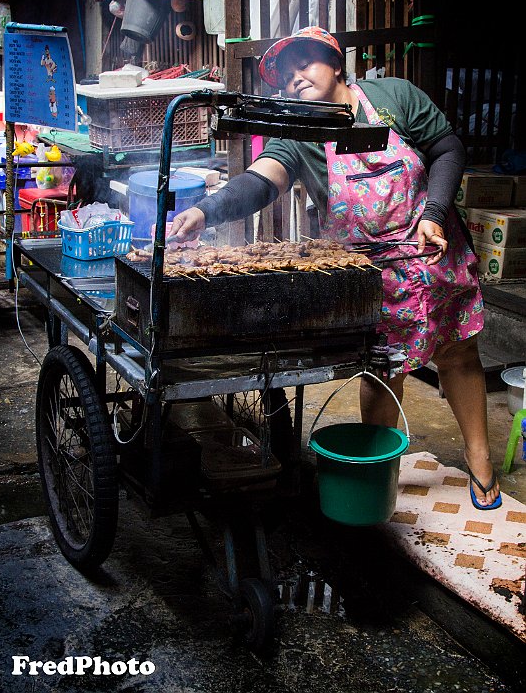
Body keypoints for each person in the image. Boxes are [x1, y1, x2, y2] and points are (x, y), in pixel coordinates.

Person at [169, 26, 501, 511]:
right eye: (285, 76)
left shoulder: (393, 98)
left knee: (458, 356)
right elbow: (262, 181)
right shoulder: (299, 135)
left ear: (336, 63)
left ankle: (481, 460)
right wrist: (205, 211)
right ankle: (378, 472)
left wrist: (432, 215)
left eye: (305, 63)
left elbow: (447, 149)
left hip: (432, 249)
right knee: (385, 371)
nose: (295, 78)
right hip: (370, 277)